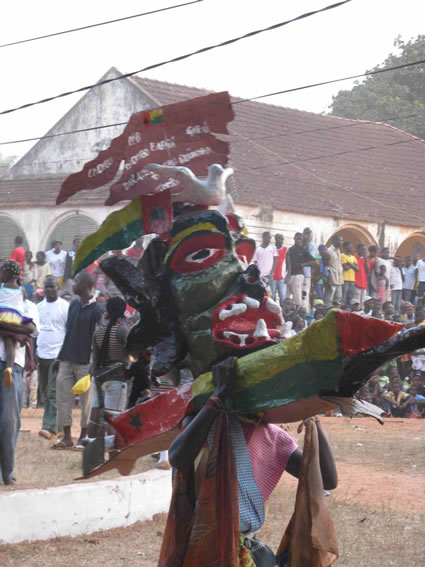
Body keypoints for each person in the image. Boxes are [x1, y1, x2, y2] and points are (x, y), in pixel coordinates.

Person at [166, 357, 337, 566]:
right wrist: (218, 397)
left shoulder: (273, 437)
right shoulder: (206, 421)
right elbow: (178, 456)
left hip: (246, 548)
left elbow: (327, 479)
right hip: (204, 547)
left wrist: (312, 413)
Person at [52, 272, 103, 449]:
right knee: (63, 398)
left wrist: (94, 364)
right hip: (67, 360)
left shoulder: (98, 310)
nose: (74, 284)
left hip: (86, 363)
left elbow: (99, 340)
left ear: (88, 286)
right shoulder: (73, 305)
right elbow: (68, 334)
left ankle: (83, 436)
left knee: (86, 402)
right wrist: (59, 357)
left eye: (78, 282)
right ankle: (67, 437)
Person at [0, 269, 37, 485]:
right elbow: (23, 331)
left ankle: (7, 472)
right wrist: (15, 332)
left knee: (8, 421)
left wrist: (6, 329)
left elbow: (31, 328)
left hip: (12, 367)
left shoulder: (26, 303)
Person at [88, 297, 130, 439]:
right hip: (116, 380)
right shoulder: (123, 331)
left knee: (95, 416)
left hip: (99, 378)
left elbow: (94, 361)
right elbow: (132, 353)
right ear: (123, 311)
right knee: (114, 420)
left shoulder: (98, 332)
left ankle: (91, 451)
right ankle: (113, 455)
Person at [36, 276, 69, 441]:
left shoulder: (65, 307)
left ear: (59, 288)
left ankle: (48, 428)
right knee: (44, 392)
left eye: (52, 287)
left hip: (57, 356)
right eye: (47, 287)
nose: (49, 290)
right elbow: (34, 332)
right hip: (41, 355)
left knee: (52, 392)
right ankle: (62, 426)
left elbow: (69, 333)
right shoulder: (38, 307)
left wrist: (64, 355)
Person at [0, 260, 34, 387]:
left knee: (9, 340)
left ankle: (9, 367)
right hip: (15, 318)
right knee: (11, 345)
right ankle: (10, 367)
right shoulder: (21, 290)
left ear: (7, 274)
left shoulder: (1, 287)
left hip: (2, 315)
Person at [285, 232, 316, 308]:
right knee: (287, 297)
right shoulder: (290, 250)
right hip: (290, 275)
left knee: (297, 296)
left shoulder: (303, 250)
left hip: (298, 275)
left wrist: (304, 265)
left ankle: (299, 313)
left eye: (301, 239)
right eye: (298, 239)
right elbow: (288, 262)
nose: (299, 240)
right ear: (294, 239)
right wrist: (288, 274)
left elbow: (314, 261)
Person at [324, 234, 344, 305]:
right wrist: (329, 278)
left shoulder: (338, 251)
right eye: (340, 240)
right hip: (332, 279)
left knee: (338, 299)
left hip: (339, 280)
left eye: (342, 241)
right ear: (334, 241)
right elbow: (326, 266)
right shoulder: (329, 251)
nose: (341, 242)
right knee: (328, 300)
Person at [270, 233, 287, 308]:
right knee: (272, 296)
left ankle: (282, 314)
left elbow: (288, 262)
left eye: (282, 239)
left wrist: (287, 273)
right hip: (272, 277)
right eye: (279, 239)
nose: (281, 241)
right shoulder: (271, 249)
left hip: (282, 277)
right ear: (276, 239)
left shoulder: (285, 250)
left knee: (282, 296)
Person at [301, 227, 316, 311]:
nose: (306, 235)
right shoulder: (299, 243)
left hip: (306, 273)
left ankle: (305, 311)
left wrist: (306, 245)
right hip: (297, 273)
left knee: (305, 293)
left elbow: (310, 259)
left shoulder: (312, 246)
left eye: (308, 233)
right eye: (305, 233)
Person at [340, 241, 358, 307]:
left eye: (352, 246)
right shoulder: (342, 255)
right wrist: (353, 265)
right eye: (349, 246)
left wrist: (350, 264)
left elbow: (357, 269)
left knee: (351, 298)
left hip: (352, 280)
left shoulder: (353, 257)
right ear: (345, 247)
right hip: (345, 280)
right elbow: (345, 267)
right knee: (343, 297)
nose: (351, 248)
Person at [354, 243, 369, 308]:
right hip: (356, 284)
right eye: (363, 249)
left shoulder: (364, 259)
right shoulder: (354, 257)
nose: (364, 251)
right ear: (358, 250)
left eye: (365, 250)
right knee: (356, 303)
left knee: (362, 305)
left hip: (364, 285)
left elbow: (368, 271)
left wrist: (365, 260)